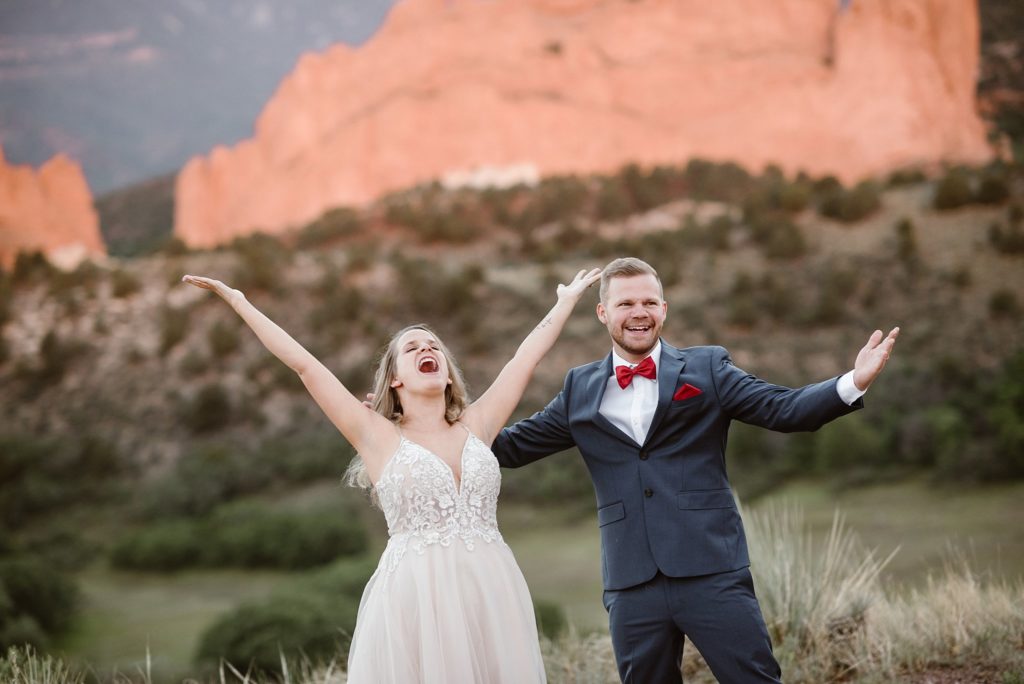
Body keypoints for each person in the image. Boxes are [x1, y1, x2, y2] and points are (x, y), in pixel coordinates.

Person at [181, 266, 602, 684]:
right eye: (413, 347)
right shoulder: (377, 437)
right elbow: (306, 366)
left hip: (492, 587)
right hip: (417, 596)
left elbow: (526, 357)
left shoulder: (480, 423)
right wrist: (239, 301)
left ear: (447, 371)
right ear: (395, 378)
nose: (428, 349)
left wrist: (564, 303)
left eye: (434, 345)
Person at [491, 257, 899, 684]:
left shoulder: (707, 368)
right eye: (626, 303)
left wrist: (854, 380)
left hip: (712, 570)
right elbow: (511, 446)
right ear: (603, 313)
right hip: (631, 582)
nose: (639, 313)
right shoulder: (579, 387)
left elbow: (786, 409)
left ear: (664, 310)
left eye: (649, 302)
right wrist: (431, 421)